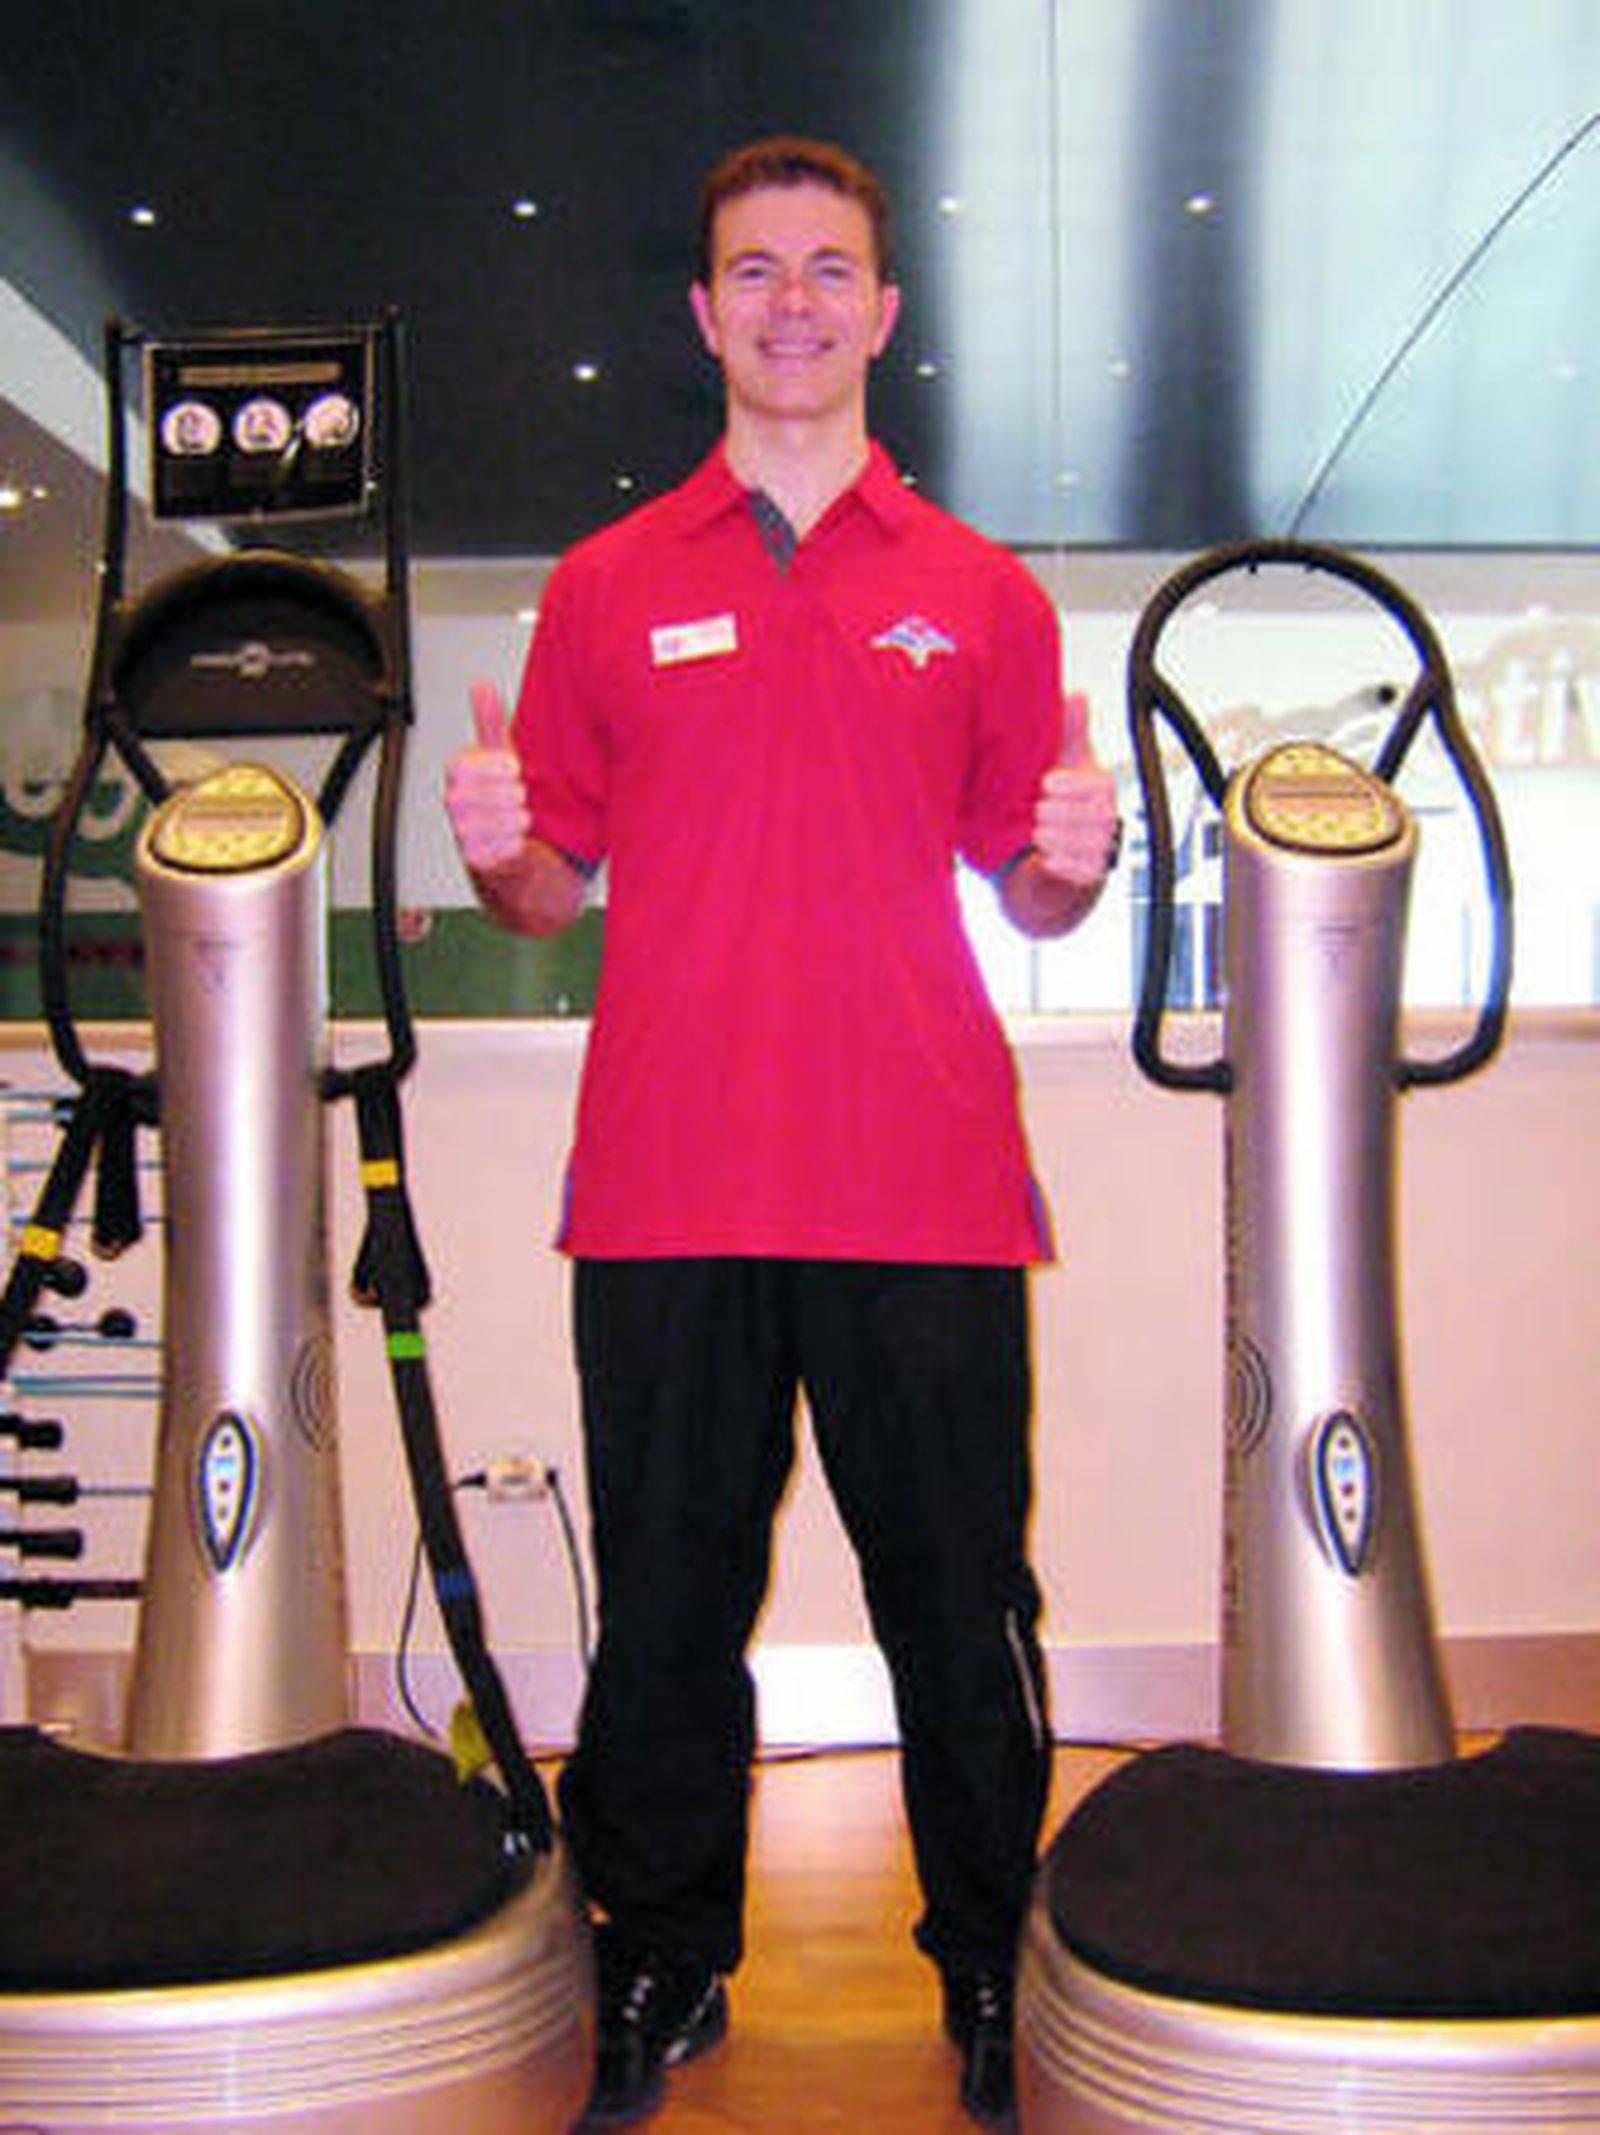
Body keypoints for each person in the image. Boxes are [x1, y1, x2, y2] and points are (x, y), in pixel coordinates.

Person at [444, 135, 1120, 2130]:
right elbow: (549, 889)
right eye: (757, 270)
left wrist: (1077, 867)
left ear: (881, 314)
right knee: (662, 1612)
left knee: (956, 1602)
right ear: (704, 311)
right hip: (664, 1189)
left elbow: (1033, 881)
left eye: (830, 270)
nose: (794, 302)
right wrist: (496, 856)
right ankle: (660, 1967)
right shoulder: (601, 584)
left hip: (918, 1186)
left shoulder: (980, 598)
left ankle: (989, 1970)